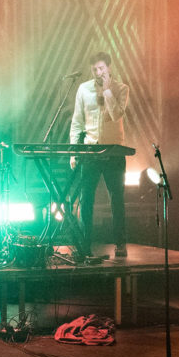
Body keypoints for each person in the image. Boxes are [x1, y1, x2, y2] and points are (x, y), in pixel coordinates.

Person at [69, 52, 130, 261]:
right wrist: (73, 152)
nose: (98, 72)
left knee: (117, 198)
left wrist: (107, 91)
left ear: (109, 68)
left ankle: (120, 242)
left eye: (101, 68)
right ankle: (84, 245)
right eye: (94, 69)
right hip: (90, 149)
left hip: (114, 150)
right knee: (86, 199)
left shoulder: (121, 89)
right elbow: (77, 121)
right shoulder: (83, 89)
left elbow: (116, 114)